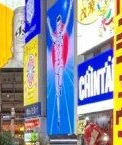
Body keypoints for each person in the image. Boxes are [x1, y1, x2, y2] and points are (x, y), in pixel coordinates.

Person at [47, 0, 73, 129]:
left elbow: (67, 21)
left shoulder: (62, 35)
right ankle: (58, 118)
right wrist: (47, 22)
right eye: (57, 24)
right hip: (56, 65)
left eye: (59, 24)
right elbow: (50, 29)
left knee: (60, 85)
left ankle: (60, 86)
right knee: (57, 93)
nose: (58, 26)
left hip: (61, 63)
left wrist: (70, 8)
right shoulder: (54, 36)